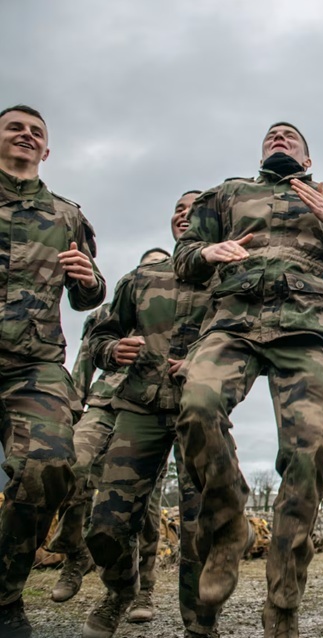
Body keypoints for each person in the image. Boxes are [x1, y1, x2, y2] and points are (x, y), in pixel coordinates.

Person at [173, 122, 323, 638]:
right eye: (271, 136)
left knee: (309, 454)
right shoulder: (227, 195)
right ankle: (227, 527)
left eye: (290, 136)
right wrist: (206, 253)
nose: (278, 139)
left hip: (303, 334)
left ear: (308, 158)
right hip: (232, 325)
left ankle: (283, 600)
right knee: (196, 404)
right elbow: (184, 258)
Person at [81, 191, 221, 638]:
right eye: (178, 209)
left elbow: (250, 342)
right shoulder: (141, 278)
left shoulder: (232, 280)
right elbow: (101, 334)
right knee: (106, 523)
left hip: (200, 413)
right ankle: (121, 591)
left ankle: (200, 625)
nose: (185, 214)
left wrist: (208, 362)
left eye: (196, 208)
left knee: (202, 527)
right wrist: (110, 350)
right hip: (138, 408)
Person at [0, 104, 106, 638]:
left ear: (47, 150)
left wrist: (87, 278)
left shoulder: (66, 214)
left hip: (33, 364)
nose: (25, 135)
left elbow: (90, 294)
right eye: (14, 127)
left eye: (35, 132)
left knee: (51, 467)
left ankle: (5, 598)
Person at [47, 247, 170, 615]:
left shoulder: (173, 313)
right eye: (146, 266)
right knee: (74, 466)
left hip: (149, 410)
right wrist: (73, 405)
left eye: (160, 267)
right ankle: (75, 553)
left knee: (145, 506)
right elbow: (85, 358)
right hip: (102, 403)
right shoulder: (109, 312)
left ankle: (143, 589)